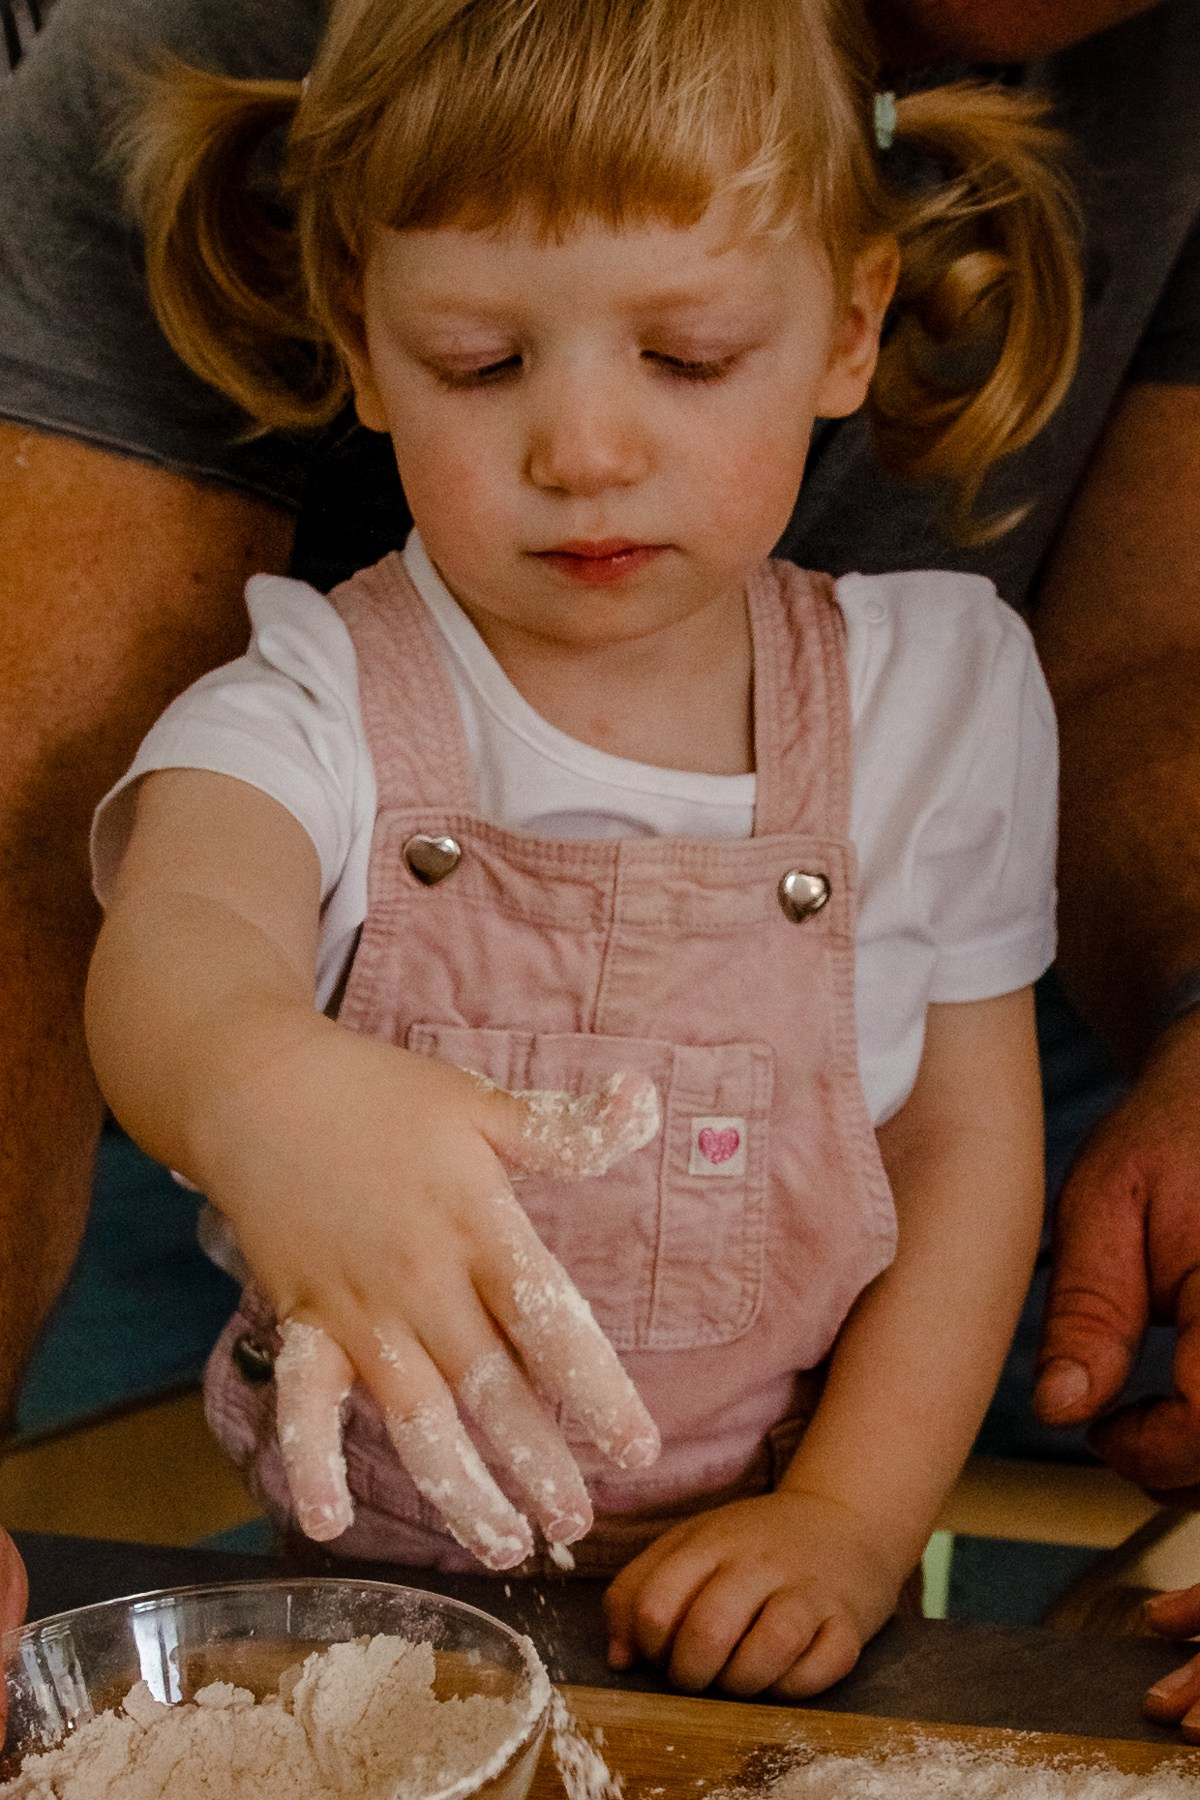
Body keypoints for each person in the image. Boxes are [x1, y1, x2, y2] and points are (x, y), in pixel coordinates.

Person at [2, 0, 1200, 1714]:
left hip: (780, 1581)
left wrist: (853, 1525)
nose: (582, 452)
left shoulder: (935, 700)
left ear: (851, 328)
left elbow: (961, 1158)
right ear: (360, 336)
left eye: (689, 355)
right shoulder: (325, 690)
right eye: (481, 364)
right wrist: (255, 1076)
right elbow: (182, 926)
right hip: (370, 1620)